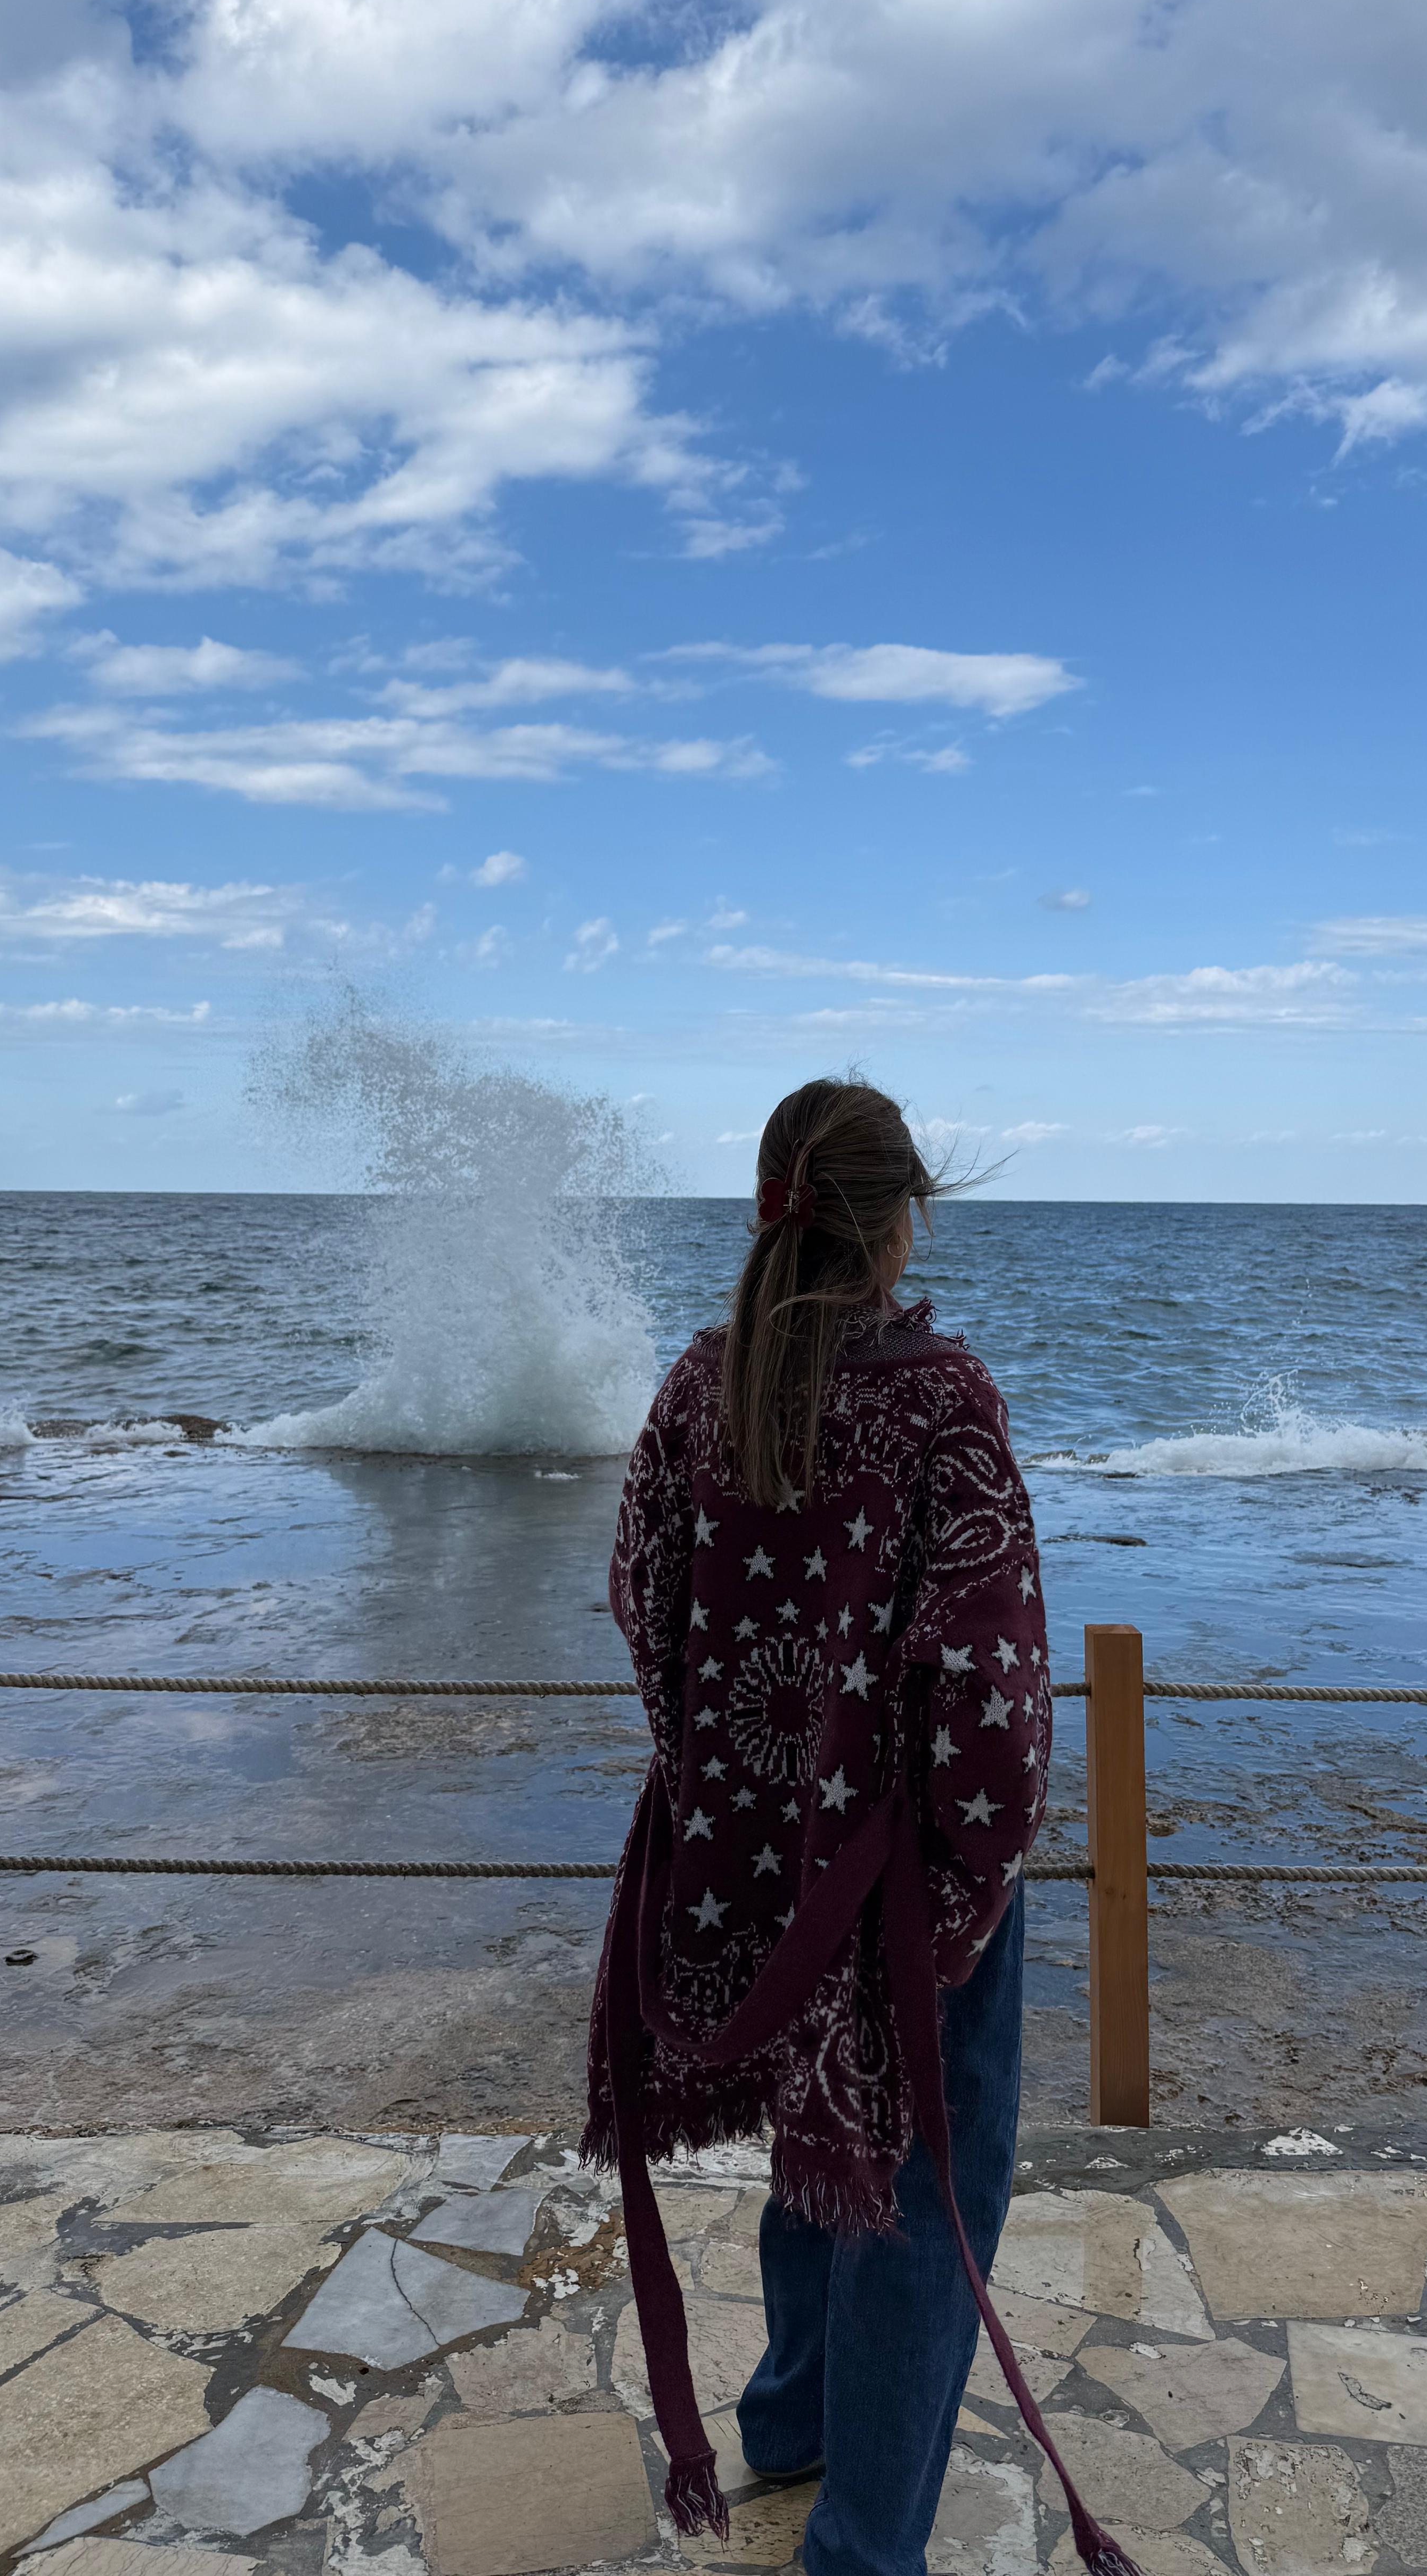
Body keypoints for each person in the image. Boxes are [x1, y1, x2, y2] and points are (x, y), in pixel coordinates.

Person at [582, 1076, 1138, 2576]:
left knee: (813, 2136)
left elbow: (643, 1599)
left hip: (751, 1859)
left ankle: (788, 2421)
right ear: (904, 1221)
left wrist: (723, 1784)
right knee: (923, 2190)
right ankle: (864, 2547)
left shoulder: (698, 1388)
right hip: (899, 1882)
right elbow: (991, 1687)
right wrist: (972, 1888)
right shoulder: (942, 1398)